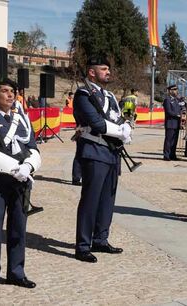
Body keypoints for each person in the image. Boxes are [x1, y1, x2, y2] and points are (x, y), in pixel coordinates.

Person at [0, 79, 41, 295]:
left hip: (20, 181)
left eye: (13, 91)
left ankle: (16, 272)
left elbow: (32, 147)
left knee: (18, 230)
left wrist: (29, 166)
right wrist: (15, 168)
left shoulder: (23, 119)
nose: (10, 95)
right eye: (5, 91)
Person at [73, 56, 131, 263]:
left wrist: (126, 127)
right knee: (91, 199)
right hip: (94, 150)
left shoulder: (110, 96)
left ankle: (100, 239)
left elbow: (118, 117)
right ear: (91, 72)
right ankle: (82, 245)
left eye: (108, 69)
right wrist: (121, 131)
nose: (108, 72)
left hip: (111, 152)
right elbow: (96, 122)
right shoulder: (83, 94)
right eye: (103, 69)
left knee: (108, 199)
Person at [163, 84, 181, 161]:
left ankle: (172, 154)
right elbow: (168, 112)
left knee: (174, 140)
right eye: (174, 90)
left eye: (176, 90)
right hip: (170, 123)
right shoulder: (167, 100)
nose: (176, 91)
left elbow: (180, 109)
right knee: (169, 140)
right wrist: (177, 115)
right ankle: (166, 155)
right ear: (170, 91)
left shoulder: (176, 100)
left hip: (176, 123)